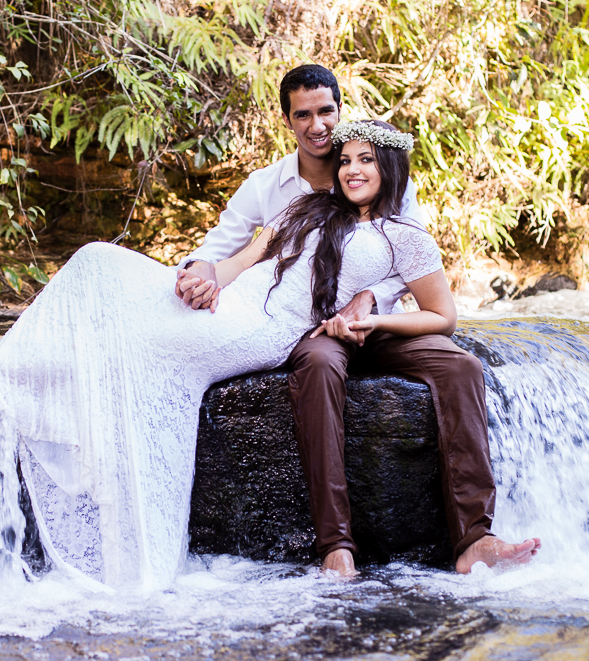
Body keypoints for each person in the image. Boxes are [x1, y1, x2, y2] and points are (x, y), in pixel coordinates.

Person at [0, 116, 536, 589]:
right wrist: (210, 278)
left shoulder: (404, 239)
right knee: (98, 263)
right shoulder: (311, 208)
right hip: (236, 299)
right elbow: (251, 251)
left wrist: (371, 314)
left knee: (135, 348)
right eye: (349, 159)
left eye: (368, 160)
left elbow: (438, 313)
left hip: (269, 329)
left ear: (389, 169)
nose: (355, 169)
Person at [175, 65, 539, 576]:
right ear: (288, 121)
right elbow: (226, 249)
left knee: (462, 368)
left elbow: (412, 271)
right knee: (320, 366)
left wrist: (371, 303)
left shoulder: (392, 191)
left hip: (380, 325)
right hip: (310, 330)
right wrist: (200, 273)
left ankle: (475, 538)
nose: (318, 126)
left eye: (326, 112)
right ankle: (336, 547)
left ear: (342, 115)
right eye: (304, 114)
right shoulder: (281, 194)